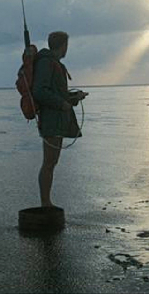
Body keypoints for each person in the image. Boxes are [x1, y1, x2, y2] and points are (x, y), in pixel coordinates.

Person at [32, 31, 88, 207]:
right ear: (63, 45)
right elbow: (39, 91)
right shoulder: (47, 63)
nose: (67, 49)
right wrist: (62, 104)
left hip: (56, 120)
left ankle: (46, 201)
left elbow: (57, 94)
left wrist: (74, 98)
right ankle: (45, 202)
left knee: (52, 162)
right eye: (66, 45)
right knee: (49, 162)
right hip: (51, 121)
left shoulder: (52, 63)